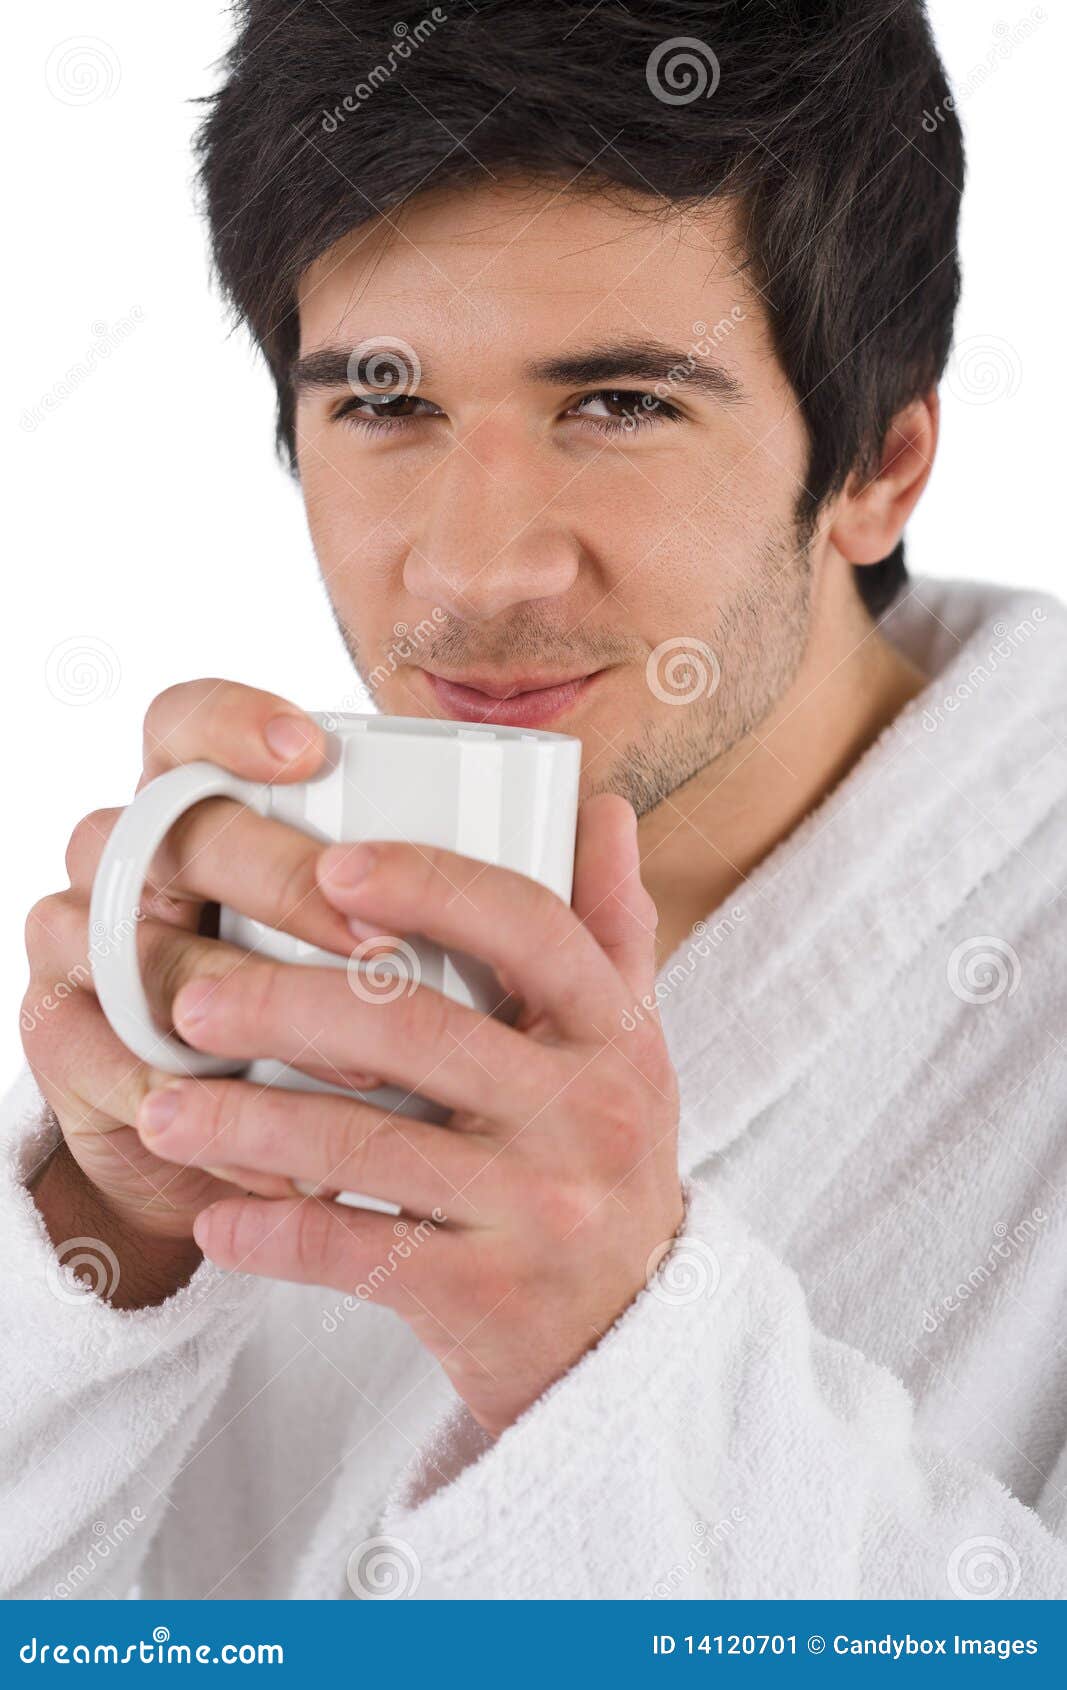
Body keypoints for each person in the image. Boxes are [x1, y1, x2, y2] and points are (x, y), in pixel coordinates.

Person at [3, 0, 1064, 1600]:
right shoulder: (222, 955)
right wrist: (109, 1232)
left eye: (621, 403)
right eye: (383, 401)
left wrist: (618, 1357)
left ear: (878, 465)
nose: (474, 568)